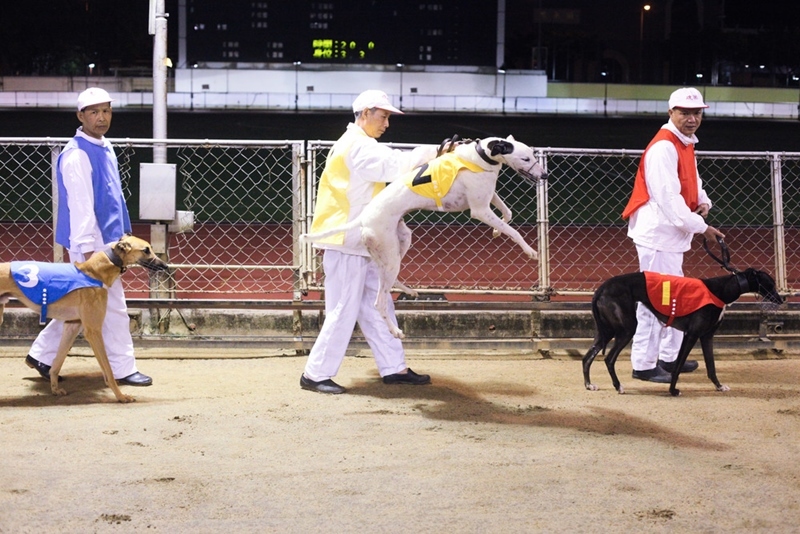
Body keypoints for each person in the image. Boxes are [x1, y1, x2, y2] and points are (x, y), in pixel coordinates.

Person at [300, 89, 438, 394]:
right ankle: (315, 374)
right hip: (346, 239)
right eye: (383, 115)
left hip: (360, 240)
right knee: (342, 309)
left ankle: (394, 368)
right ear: (365, 113)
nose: (387, 123)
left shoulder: (359, 143)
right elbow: (394, 164)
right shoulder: (358, 146)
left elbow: (392, 164)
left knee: (379, 304)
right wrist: (437, 153)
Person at [25, 87, 152, 387]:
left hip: (110, 240)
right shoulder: (77, 153)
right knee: (114, 305)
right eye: (93, 112)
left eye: (106, 111)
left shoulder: (104, 146)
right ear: (80, 116)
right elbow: (81, 205)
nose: (101, 117)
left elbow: (112, 196)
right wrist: (85, 253)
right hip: (93, 245)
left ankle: (42, 355)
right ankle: (122, 368)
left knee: (77, 304)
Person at [621, 87, 725, 383]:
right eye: (685, 113)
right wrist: (703, 228)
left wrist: (704, 201)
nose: (692, 119)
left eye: (697, 113)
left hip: (669, 236)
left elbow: (693, 181)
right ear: (671, 113)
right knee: (656, 300)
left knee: (672, 297)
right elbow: (669, 200)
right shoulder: (664, 147)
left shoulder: (684, 142)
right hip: (658, 236)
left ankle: (669, 357)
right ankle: (643, 364)